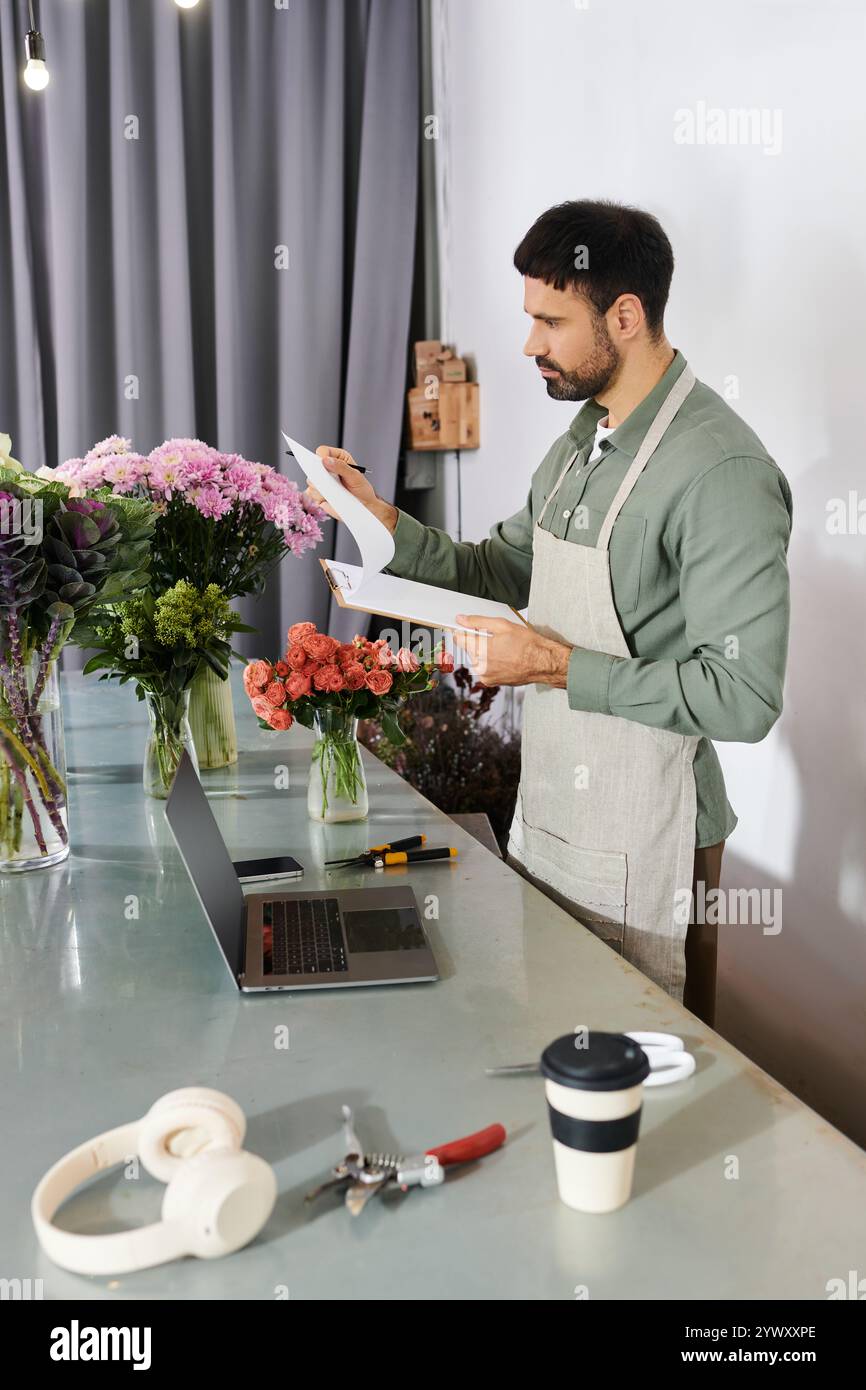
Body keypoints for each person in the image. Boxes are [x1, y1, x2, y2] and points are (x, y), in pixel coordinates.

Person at [303, 199, 792, 1025]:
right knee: (555, 1038)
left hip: (654, 840)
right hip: (557, 816)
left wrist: (554, 666)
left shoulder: (722, 472)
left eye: (551, 321)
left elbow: (743, 696)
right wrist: (379, 519)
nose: (530, 343)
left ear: (626, 317)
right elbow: (498, 568)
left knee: (646, 1085)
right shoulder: (580, 444)